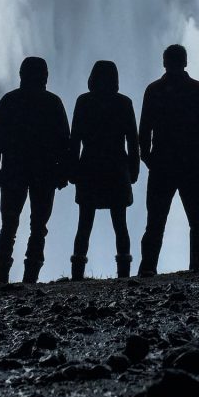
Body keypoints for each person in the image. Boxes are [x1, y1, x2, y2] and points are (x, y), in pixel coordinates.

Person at [0, 56, 70, 285]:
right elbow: (65, 141)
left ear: (21, 74)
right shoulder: (53, 103)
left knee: (9, 226)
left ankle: (1, 278)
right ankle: (30, 279)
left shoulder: (9, 101)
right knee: (38, 227)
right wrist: (63, 172)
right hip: (44, 173)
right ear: (45, 76)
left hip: (14, 171)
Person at [137, 44, 199, 275]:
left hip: (163, 163)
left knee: (156, 221)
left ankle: (148, 267)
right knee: (198, 221)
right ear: (185, 62)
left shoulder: (154, 90)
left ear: (164, 62)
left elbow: (144, 129)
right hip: (191, 164)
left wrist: (147, 156)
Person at [68, 60, 140, 280]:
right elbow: (132, 140)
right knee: (120, 223)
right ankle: (124, 273)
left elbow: (75, 139)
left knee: (84, 222)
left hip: (89, 166)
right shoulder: (124, 103)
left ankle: (77, 273)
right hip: (117, 167)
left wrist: (72, 169)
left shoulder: (84, 102)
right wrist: (133, 170)